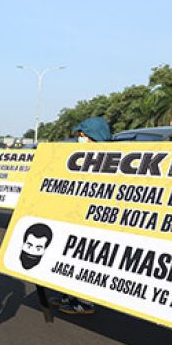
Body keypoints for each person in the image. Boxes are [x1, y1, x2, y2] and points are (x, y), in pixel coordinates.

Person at [54, 116, 112, 315]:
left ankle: (84, 302)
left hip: (92, 222)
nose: (80, 138)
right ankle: (68, 295)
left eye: (83, 135)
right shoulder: (83, 157)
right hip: (75, 218)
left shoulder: (110, 160)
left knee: (86, 261)